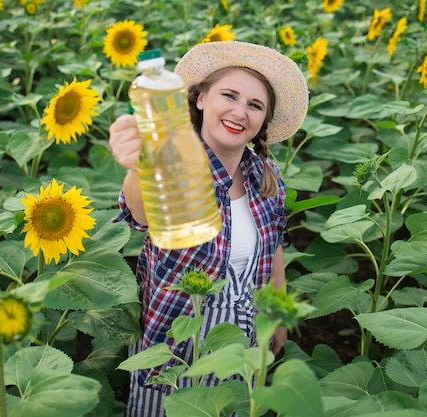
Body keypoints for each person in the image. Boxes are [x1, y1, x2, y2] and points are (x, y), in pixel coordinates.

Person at [109, 40, 309, 417]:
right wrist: (138, 167)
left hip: (242, 336)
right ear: (200, 99)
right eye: (228, 96)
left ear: (263, 121)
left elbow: (273, 248)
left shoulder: (265, 175)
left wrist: (277, 317)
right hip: (176, 338)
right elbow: (143, 212)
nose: (239, 112)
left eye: (255, 105)